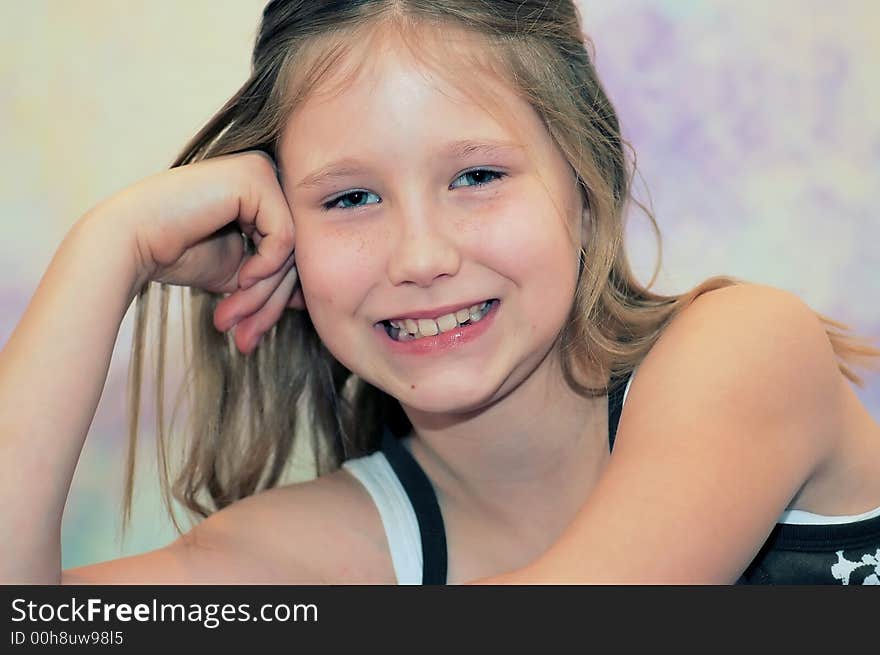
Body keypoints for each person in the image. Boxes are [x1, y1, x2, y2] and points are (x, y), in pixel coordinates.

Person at [2, 0, 879, 586]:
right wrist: (108, 249)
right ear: (285, 240)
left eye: (477, 176)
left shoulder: (746, 349)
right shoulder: (341, 543)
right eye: (349, 198)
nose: (420, 255)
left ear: (586, 184)